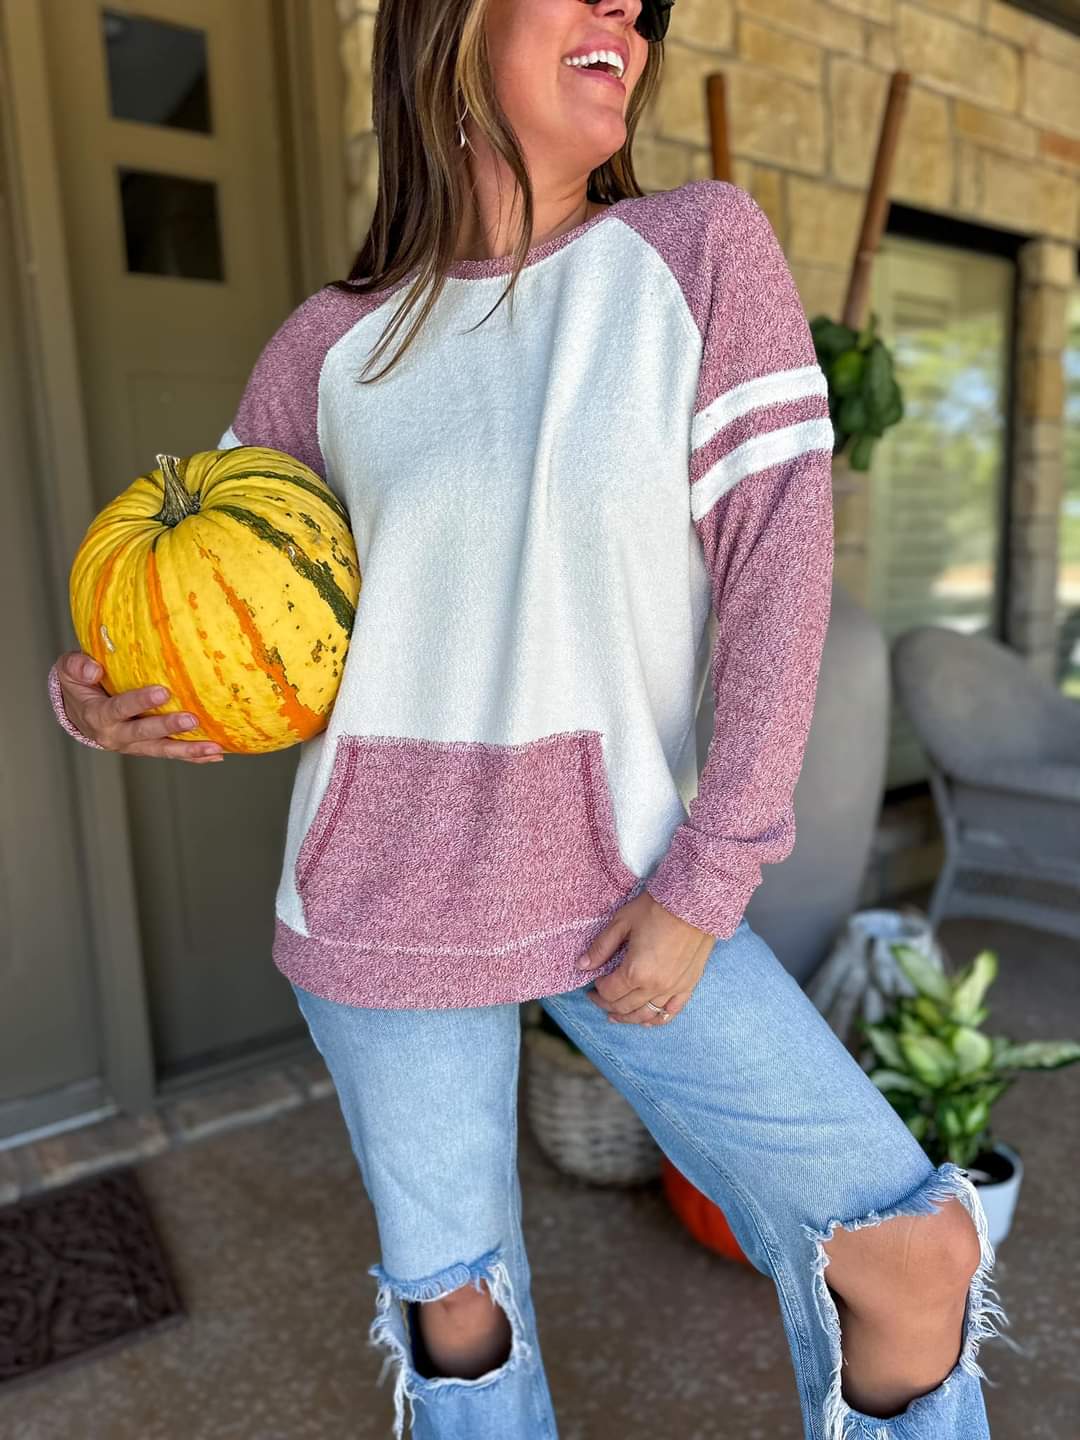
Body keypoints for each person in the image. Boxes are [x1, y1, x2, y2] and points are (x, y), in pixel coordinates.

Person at [48, 2, 1010, 1437]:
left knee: (913, 1259)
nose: (626, 9)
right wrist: (107, 697)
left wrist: (712, 874)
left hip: (633, 885)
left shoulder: (694, 252)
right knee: (462, 1321)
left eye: (643, 2)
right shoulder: (328, 347)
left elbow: (778, 576)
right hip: (378, 898)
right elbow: (218, 602)